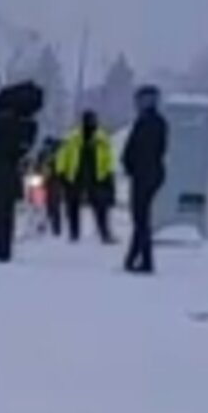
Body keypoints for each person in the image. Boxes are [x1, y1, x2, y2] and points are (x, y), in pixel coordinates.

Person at [0, 81, 44, 263]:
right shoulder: (29, 125)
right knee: (6, 210)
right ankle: (3, 245)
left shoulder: (3, 122)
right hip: (12, 169)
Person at [122, 85, 168, 274]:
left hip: (145, 174)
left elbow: (139, 149)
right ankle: (135, 258)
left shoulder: (148, 123)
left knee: (140, 217)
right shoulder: (156, 122)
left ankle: (142, 260)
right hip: (150, 173)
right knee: (141, 217)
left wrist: (130, 164)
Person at [55, 110, 116, 244]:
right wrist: (61, 172)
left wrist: (109, 172)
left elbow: (109, 157)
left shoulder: (102, 138)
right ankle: (74, 233)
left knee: (100, 207)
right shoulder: (73, 137)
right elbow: (63, 154)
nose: (92, 122)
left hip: (96, 176)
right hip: (76, 175)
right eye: (90, 119)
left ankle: (104, 233)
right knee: (73, 206)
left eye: (93, 120)